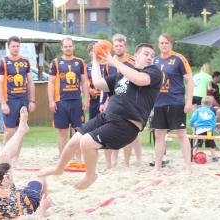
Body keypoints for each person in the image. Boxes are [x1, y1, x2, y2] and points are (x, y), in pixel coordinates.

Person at [38, 43, 162, 190]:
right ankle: (58, 168)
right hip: (107, 116)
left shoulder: (154, 72)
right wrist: (96, 61)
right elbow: (97, 83)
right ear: (136, 56)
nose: (150, 57)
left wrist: (116, 62)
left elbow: (139, 79)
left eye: (152, 55)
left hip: (127, 124)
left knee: (86, 142)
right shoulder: (121, 75)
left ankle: (91, 175)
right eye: (146, 54)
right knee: (74, 141)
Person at [0, 107, 53, 219]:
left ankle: (21, 129)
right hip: (26, 199)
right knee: (39, 174)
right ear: (5, 180)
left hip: (10, 194)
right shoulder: (22, 199)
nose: (11, 175)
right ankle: (45, 203)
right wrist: (42, 209)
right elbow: (30, 218)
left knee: (4, 156)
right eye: (8, 176)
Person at [99, 34, 145, 172]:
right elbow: (105, 83)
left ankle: (136, 160)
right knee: (110, 129)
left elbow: (140, 78)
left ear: (125, 47)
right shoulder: (108, 62)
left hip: (132, 100)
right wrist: (103, 101)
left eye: (121, 45)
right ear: (113, 47)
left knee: (133, 132)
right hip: (114, 99)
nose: (119, 48)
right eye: (116, 46)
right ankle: (112, 161)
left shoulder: (132, 60)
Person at [152, 33, 193, 174]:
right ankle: (157, 166)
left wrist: (189, 102)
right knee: (159, 135)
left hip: (175, 101)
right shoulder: (155, 60)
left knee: (181, 134)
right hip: (159, 102)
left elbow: (190, 80)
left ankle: (188, 167)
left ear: (171, 44)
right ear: (158, 44)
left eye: (166, 43)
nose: (164, 45)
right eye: (161, 43)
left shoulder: (178, 58)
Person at [0, 36, 36, 167]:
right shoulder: (2, 62)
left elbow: (30, 81)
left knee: (20, 130)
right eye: (13, 46)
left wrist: (32, 101)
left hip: (23, 100)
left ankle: (15, 160)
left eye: (17, 46)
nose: (15, 48)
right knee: (8, 132)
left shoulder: (25, 61)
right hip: (10, 100)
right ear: (8, 47)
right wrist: (3, 103)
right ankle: (5, 158)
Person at [48, 37, 90, 162]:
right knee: (62, 131)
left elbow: (84, 82)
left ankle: (78, 159)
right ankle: (63, 159)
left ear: (73, 47)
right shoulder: (55, 63)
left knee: (78, 131)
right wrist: (51, 100)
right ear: (61, 48)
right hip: (61, 102)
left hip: (76, 101)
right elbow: (51, 82)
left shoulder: (80, 62)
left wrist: (87, 99)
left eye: (70, 46)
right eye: (65, 46)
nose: (68, 48)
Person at [189, 96, 218, 162]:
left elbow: (192, 120)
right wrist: (212, 129)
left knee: (197, 143)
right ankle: (214, 157)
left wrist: (192, 125)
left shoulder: (198, 111)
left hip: (199, 130)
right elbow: (214, 124)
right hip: (209, 130)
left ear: (201, 103)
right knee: (211, 143)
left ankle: (193, 155)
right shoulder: (212, 113)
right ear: (211, 105)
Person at [87, 42, 102, 120]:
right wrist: (88, 90)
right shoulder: (87, 66)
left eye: (96, 50)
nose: (95, 53)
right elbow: (83, 83)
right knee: (93, 121)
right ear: (89, 53)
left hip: (105, 97)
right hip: (94, 98)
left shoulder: (106, 64)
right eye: (93, 51)